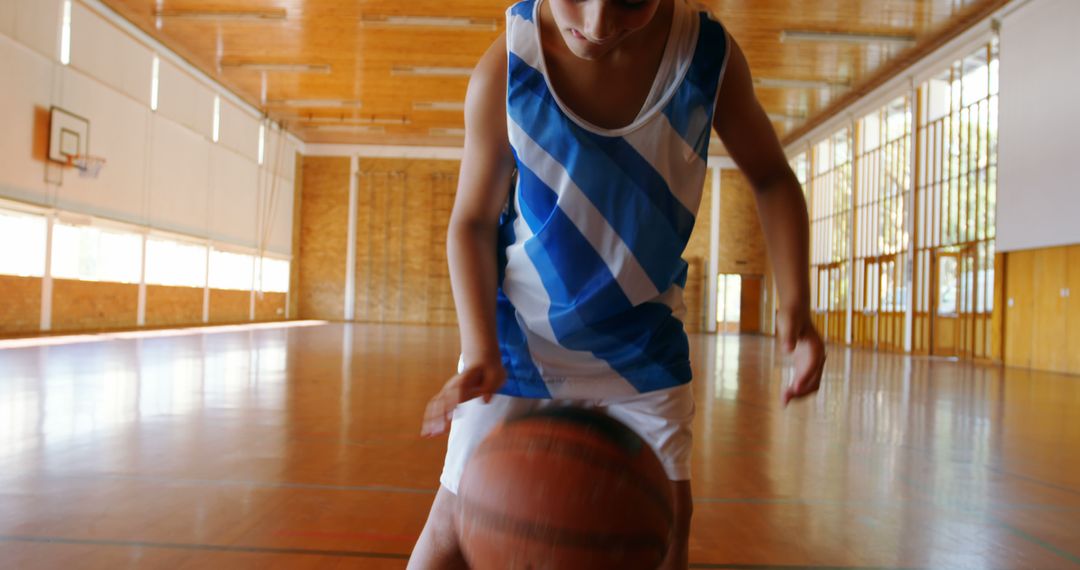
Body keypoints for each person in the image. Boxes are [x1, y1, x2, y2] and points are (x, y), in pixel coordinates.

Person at [409, 0, 826, 567]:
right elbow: (472, 222)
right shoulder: (507, 67)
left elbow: (773, 178)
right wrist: (480, 348)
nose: (599, 22)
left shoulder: (706, 57)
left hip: (641, 349)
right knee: (450, 533)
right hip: (519, 341)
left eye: (630, 0)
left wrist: (795, 307)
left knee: (664, 532)